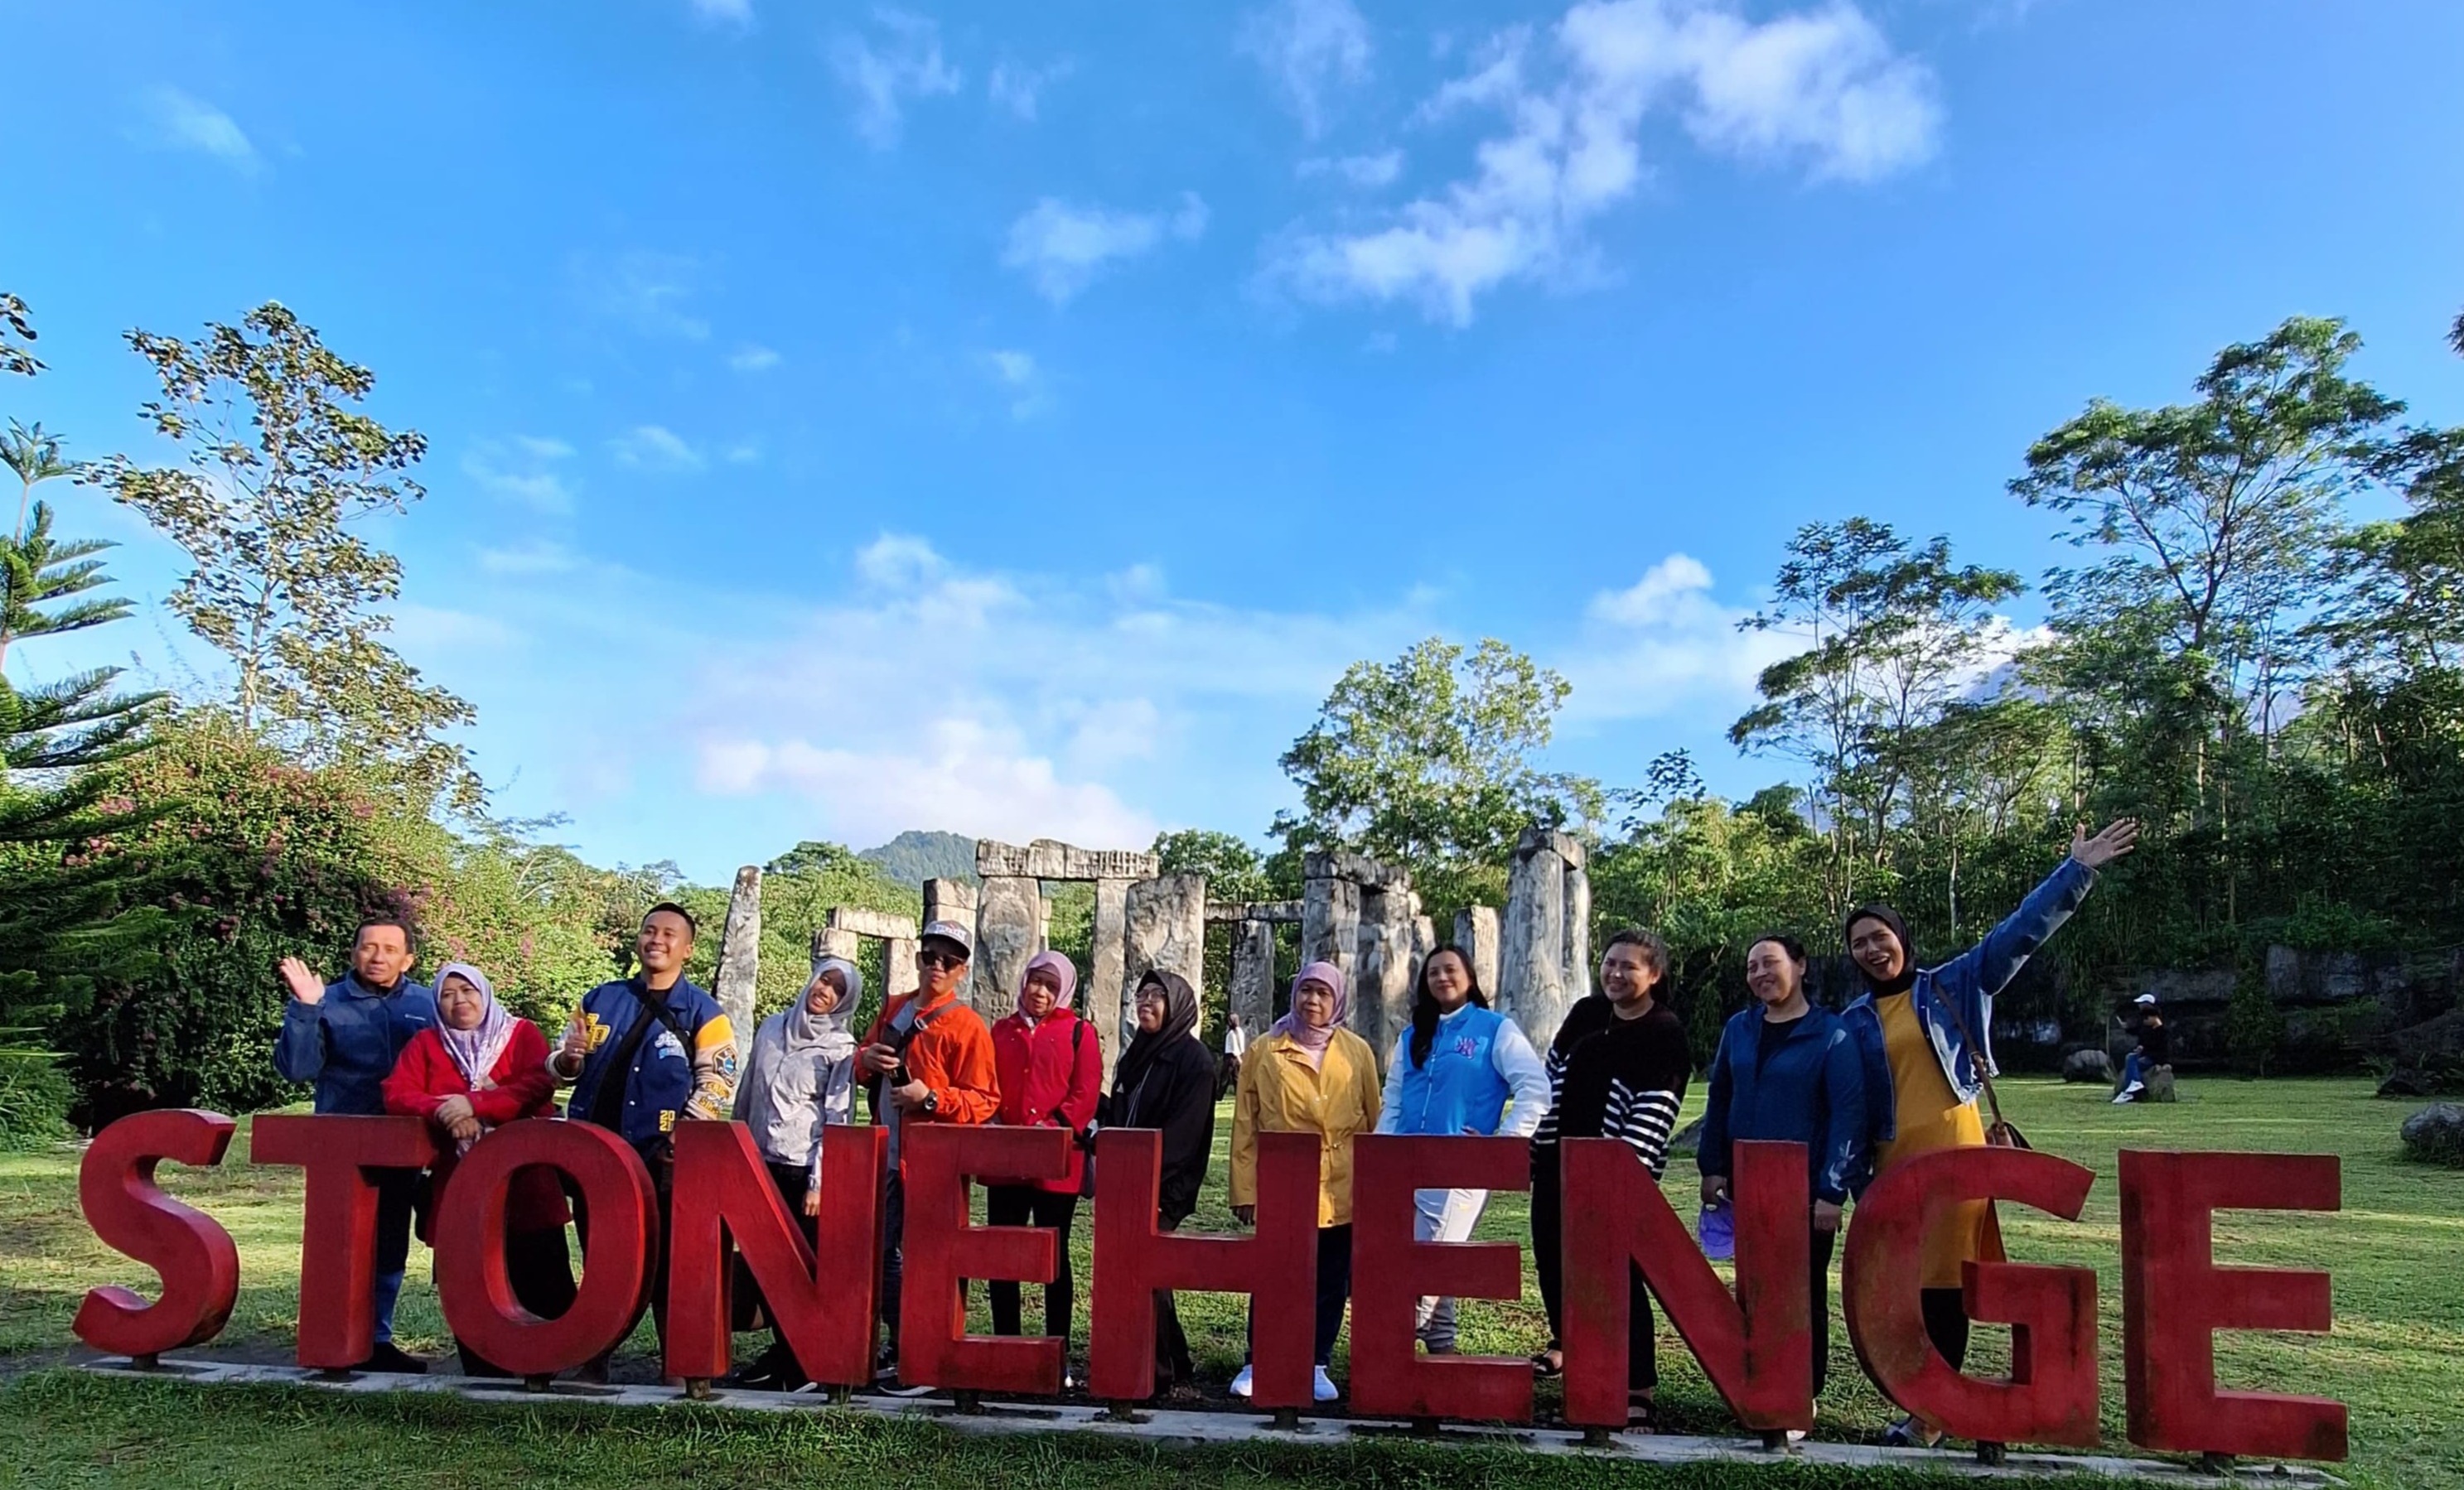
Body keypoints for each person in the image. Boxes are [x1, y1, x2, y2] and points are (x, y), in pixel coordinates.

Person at [1843, 819, 2139, 1448]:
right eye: (1859, 943)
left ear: (1903, 938)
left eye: (1880, 936)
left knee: (1944, 1283)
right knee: (1905, 1291)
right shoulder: (1852, 1018)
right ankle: (1929, 1401)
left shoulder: (1950, 984)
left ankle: (1932, 1414)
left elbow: (2019, 935)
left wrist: (2076, 870)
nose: (1872, 949)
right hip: (1893, 1167)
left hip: (1957, 1156)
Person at [549, 902, 738, 1380]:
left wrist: (686, 1133)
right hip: (594, 1153)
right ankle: (595, 1354)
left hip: (663, 1157)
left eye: (670, 934)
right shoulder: (599, 999)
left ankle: (677, 1361)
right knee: (601, 1258)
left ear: (688, 949)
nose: (657, 939)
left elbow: (719, 1080)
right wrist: (567, 1061)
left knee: (668, 1261)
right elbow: (561, 1066)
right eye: (650, 930)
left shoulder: (705, 1011)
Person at [1527, 928, 1692, 1430]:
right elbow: (1549, 1081)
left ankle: (1636, 1385)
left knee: (1619, 1278)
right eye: (1611, 964)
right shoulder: (1586, 1014)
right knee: (1556, 1266)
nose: (1617, 974)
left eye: (1630, 967)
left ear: (1654, 975)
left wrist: (1620, 1178)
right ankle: (1578, 1361)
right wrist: (1537, 1148)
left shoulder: (1664, 1032)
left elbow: (1656, 1111)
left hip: (1615, 1176)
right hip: (1558, 1162)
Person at [1696, 934, 1865, 1420]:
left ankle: (1801, 1394)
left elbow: (1847, 1115)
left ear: (1801, 966)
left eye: (1770, 963)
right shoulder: (1739, 1029)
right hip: (1746, 1185)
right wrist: (1713, 1167)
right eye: (1751, 967)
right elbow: (1720, 1099)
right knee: (1754, 1288)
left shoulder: (1832, 1034)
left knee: (1802, 1291)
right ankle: (1759, 1384)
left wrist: (1831, 1191)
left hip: (1806, 1191)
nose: (1759, 974)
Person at [380, 962, 573, 1378]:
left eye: (467, 991)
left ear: (484, 994)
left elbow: (537, 1083)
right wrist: (444, 1111)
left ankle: (546, 1367)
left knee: (541, 1278)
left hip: (526, 1183)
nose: (459, 1001)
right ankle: (484, 1370)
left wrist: (479, 1105)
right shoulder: (428, 1043)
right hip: (461, 1184)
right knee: (471, 1283)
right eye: (447, 994)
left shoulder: (520, 1034)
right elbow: (397, 1092)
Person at [274, 917, 437, 1373]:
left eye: (390, 948)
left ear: (408, 959)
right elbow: (297, 1069)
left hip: (406, 1146)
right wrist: (305, 1010)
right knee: (340, 1246)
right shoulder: (324, 1002)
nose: (378, 956)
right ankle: (333, 1339)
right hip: (340, 1151)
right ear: (353, 953)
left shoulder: (430, 1004)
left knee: (390, 1243)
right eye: (369, 947)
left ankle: (376, 1339)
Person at [1374, 945, 1549, 1357]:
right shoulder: (1414, 1033)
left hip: (1459, 1170)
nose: (1442, 978)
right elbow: (1395, 1098)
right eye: (1433, 972)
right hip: (1404, 1166)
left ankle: (1387, 1357)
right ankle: (1442, 1357)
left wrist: (1501, 1145)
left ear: (1469, 977)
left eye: (1450, 970)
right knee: (1422, 1262)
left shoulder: (1496, 1029)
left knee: (1429, 1264)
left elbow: (1535, 1089)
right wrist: (1379, 1157)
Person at [1227, 961, 1381, 1405]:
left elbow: (1373, 1122)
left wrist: (1375, 1189)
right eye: (1306, 991)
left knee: (1331, 1279)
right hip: (1283, 1185)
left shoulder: (1357, 1052)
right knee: (1274, 1275)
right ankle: (1258, 1360)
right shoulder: (1264, 1049)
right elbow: (1244, 1125)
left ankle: (1317, 1362)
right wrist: (1245, 1190)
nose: (1312, 1001)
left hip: (1342, 1185)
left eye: (1323, 994)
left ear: (1338, 1001)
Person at [856, 919, 1000, 1386]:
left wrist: (931, 1098)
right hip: (885, 1155)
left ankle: (927, 1348)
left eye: (949, 961)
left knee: (928, 1258)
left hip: (931, 1163)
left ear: (961, 971)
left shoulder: (968, 1025)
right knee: (882, 1253)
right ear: (918, 960)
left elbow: (985, 1099)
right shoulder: (894, 1008)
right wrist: (867, 1060)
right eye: (930, 957)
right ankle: (900, 1343)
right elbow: (860, 1063)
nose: (937, 966)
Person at [724, 953, 863, 1390]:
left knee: (800, 1270)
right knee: (765, 1266)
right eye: (824, 981)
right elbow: (748, 1090)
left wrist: (821, 1181)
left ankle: (798, 1362)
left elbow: (836, 1117)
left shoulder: (842, 1049)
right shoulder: (771, 1028)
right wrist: (735, 1149)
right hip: (760, 1162)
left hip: (803, 1171)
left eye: (838, 990)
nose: (825, 992)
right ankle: (779, 1356)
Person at [1104, 969, 1216, 1401]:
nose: (1146, 1002)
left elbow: (1184, 1138)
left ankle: (1164, 1373)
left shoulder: (1194, 1060)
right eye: (1142, 993)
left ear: (1179, 1004)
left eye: (1157, 995)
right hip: (1128, 1182)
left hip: (1163, 1187)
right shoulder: (1138, 1053)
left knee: (1150, 1274)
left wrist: (1150, 1187)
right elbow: (1121, 1112)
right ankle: (1169, 1364)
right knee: (1141, 1274)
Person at [987, 951, 1102, 1367]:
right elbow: (988, 1083)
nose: (1040, 992)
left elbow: (1085, 1092)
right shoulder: (1002, 1030)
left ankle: (1057, 1350)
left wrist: (1052, 1129)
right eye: (1035, 981)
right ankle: (1006, 1348)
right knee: (1003, 1254)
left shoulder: (1078, 1032)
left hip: (1058, 1162)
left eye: (1051, 986)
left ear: (1064, 990)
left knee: (1054, 1254)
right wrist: (1000, 1124)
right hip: (1006, 1161)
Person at [2114, 992, 2169, 1104]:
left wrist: (2143, 1048)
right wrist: (2127, 1028)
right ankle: (2132, 1086)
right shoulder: (2146, 1019)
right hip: (2146, 1053)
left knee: (2132, 1060)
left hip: (2153, 1056)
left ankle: (2132, 1087)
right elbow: (2140, 1032)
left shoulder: (2156, 1022)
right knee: (2131, 1059)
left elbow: (2158, 1041)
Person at [1216, 1015, 1247, 1102]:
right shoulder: (1240, 1031)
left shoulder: (1231, 1033)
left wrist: (1239, 1059)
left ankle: (1219, 1095)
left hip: (1231, 1057)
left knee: (1225, 1077)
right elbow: (1241, 1047)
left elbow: (1234, 1048)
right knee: (1236, 1077)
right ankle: (1239, 1095)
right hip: (1238, 1056)